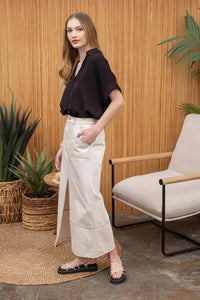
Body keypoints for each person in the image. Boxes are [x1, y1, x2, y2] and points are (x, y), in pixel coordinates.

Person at [55, 12, 126, 284]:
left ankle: (112, 257)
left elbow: (117, 100)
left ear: (88, 31)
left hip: (88, 135)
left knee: (90, 198)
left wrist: (96, 130)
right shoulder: (77, 63)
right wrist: (63, 145)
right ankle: (84, 257)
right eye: (69, 30)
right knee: (79, 199)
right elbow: (73, 112)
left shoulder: (96, 60)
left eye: (79, 29)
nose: (73, 34)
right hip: (72, 134)